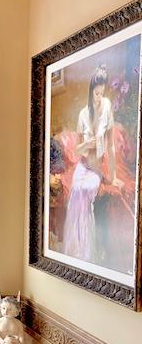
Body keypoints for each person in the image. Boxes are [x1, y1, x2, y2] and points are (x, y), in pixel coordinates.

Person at [62, 65, 123, 262]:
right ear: (91, 92)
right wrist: (87, 143)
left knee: (85, 190)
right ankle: (75, 251)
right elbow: (78, 151)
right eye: (96, 94)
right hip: (83, 165)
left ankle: (86, 254)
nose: (99, 98)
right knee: (76, 189)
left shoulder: (106, 107)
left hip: (97, 169)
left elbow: (111, 146)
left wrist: (113, 177)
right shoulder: (82, 114)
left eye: (102, 93)